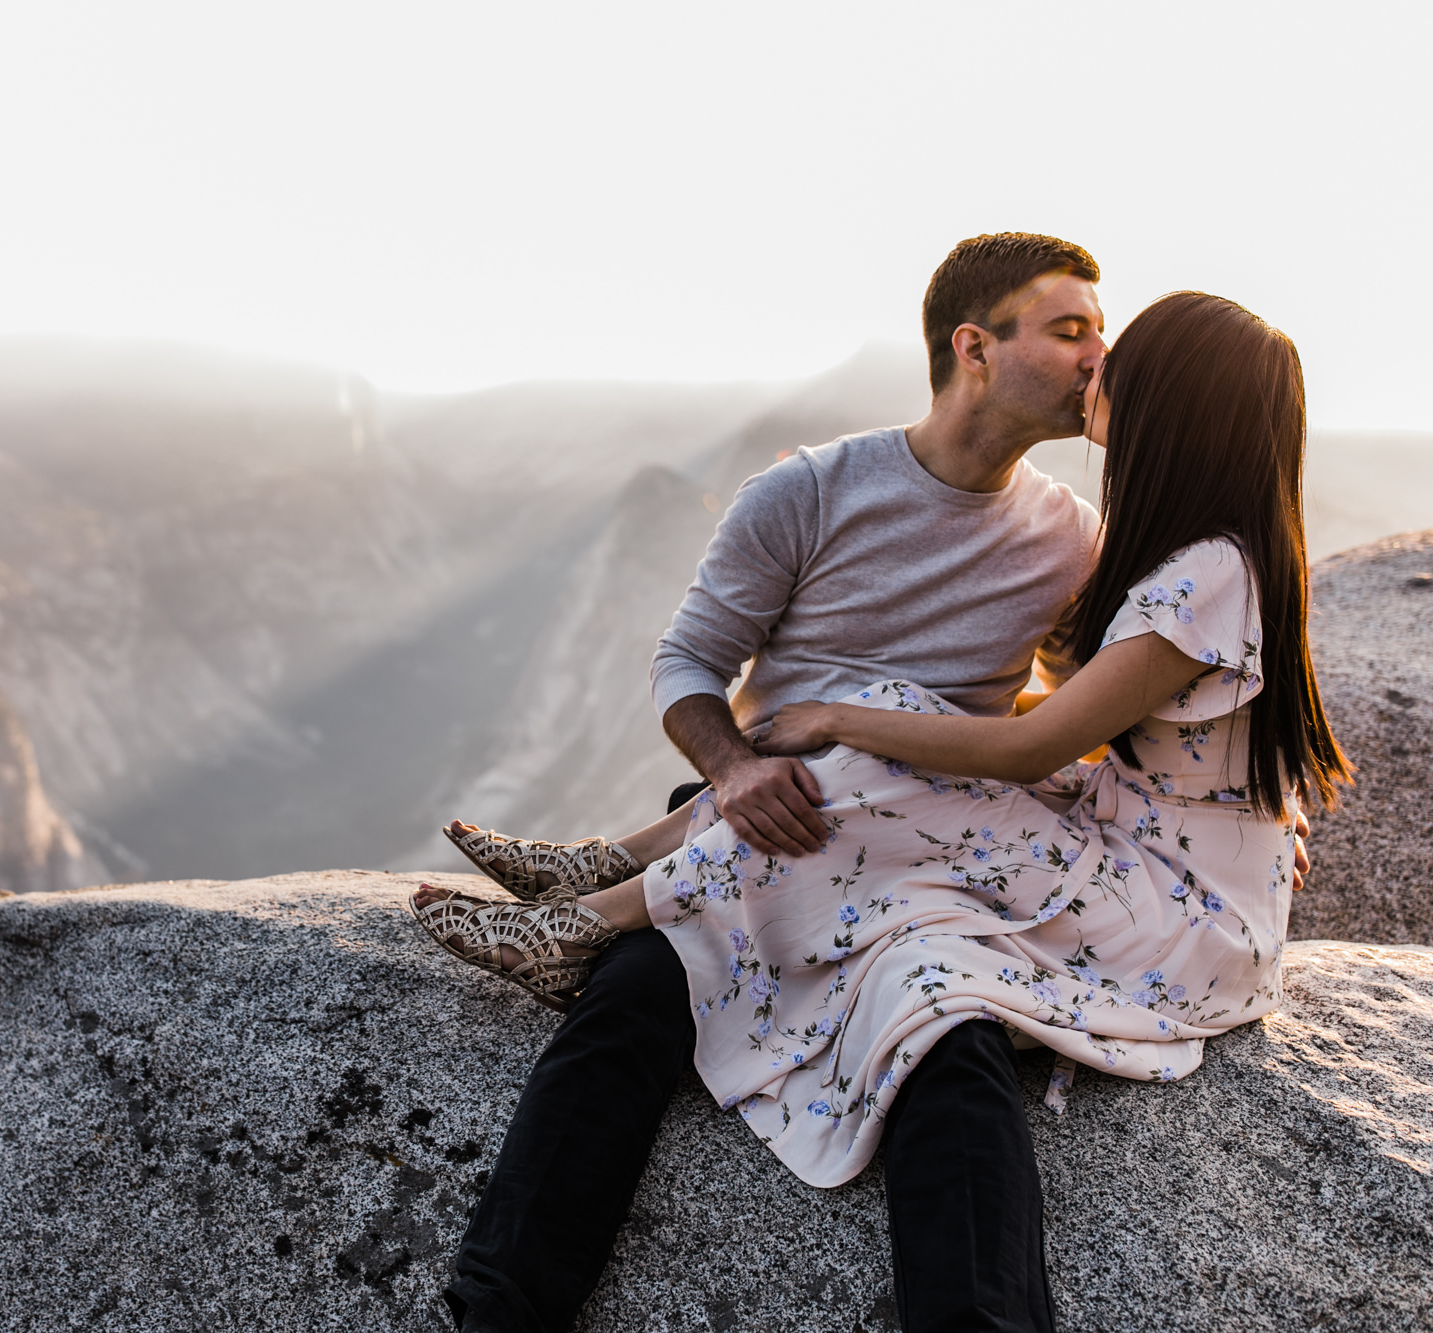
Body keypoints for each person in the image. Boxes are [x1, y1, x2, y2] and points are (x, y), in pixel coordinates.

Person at [412, 262, 1338, 1330]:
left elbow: (1082, 716)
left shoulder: (1079, 542)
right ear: (971, 347)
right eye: (1072, 330)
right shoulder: (808, 490)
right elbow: (687, 668)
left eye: (1110, 346)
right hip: (761, 802)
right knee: (631, 1001)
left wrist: (1248, 818)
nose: (1095, 361)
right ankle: (497, 1310)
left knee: (942, 1015)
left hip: (928, 812)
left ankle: (593, 885)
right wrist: (739, 767)